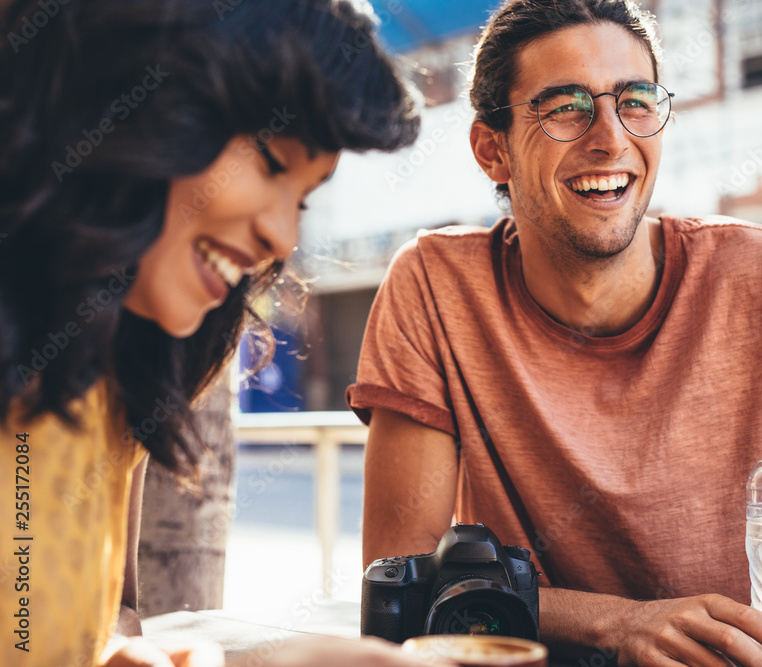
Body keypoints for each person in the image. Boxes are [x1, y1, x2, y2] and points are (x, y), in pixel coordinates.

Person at [349, 0, 762, 665]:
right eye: (566, 107)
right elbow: (399, 585)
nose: (611, 138)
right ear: (491, 149)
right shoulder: (434, 286)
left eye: (635, 101)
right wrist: (616, 623)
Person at [0, 1, 451, 665]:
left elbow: (62, 635)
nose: (283, 236)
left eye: (303, 198)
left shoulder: (116, 384)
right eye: (271, 161)